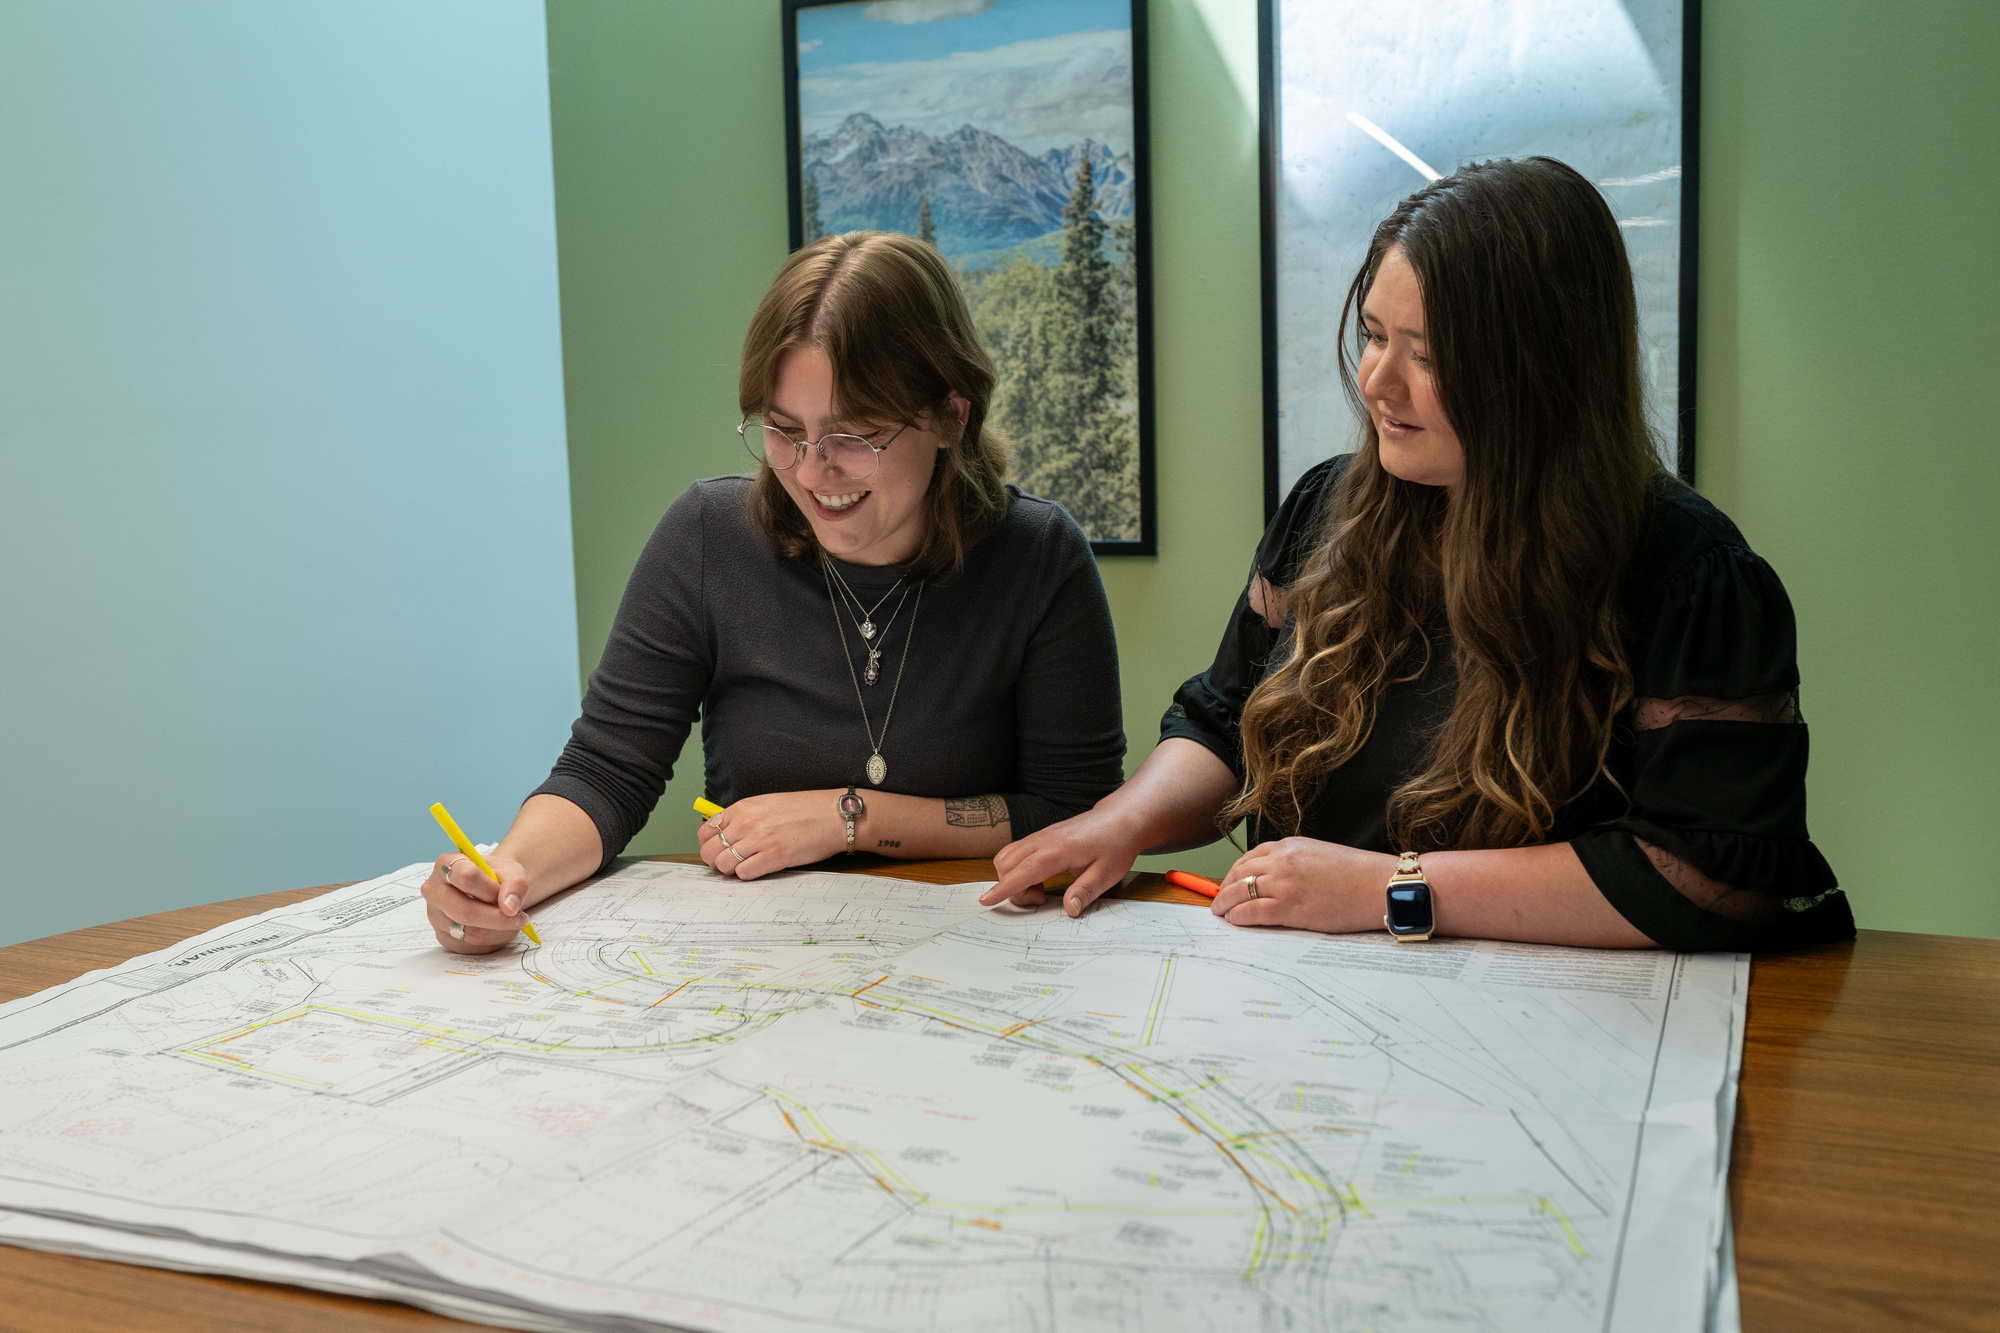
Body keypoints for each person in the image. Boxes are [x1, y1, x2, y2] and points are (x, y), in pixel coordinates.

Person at [984, 157, 1852, 953]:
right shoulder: (1326, 507)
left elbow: (1708, 876)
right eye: (1372, 334)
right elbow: (1224, 720)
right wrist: (1123, 820)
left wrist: (1389, 887)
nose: (1376, 382)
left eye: (1427, 355)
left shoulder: (1688, 575)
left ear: (1539, 373)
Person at [424, 231, 1126, 953]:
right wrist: (508, 872)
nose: (815, 473)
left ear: (953, 414)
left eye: (856, 435)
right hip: (762, 967)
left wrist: (848, 816)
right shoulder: (707, 537)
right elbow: (606, 769)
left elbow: (1076, 812)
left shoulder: (1039, 556)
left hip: (981, 953)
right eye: (785, 432)